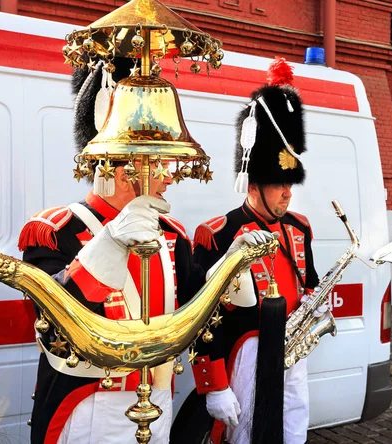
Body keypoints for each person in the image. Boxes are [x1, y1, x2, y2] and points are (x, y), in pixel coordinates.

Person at [18, 57, 205, 444]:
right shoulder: (55, 231)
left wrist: (234, 266)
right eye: (158, 160)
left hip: (160, 401)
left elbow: (197, 316)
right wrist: (107, 246)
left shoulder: (173, 235)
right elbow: (49, 324)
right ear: (122, 167)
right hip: (89, 408)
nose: (170, 174)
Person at [190, 58, 327, 444]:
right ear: (253, 185)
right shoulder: (218, 234)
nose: (288, 191)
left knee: (294, 427)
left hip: (291, 350)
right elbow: (201, 318)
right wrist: (213, 383)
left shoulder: (299, 227)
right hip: (243, 352)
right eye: (279, 183)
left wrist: (315, 299)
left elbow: (309, 281)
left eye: (290, 182)